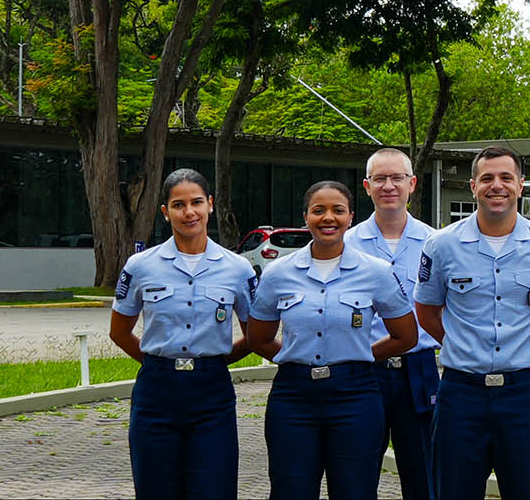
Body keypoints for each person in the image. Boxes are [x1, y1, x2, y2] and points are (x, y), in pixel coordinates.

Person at [414, 146, 530, 500]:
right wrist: (461, 345)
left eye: (506, 177)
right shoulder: (441, 245)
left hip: (526, 396)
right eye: (487, 178)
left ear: (521, 185)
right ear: (472, 185)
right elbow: (426, 310)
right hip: (461, 396)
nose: (497, 186)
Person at [245, 180, 418, 500]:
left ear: (351, 216)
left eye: (338, 210)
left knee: (355, 491)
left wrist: (358, 353)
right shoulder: (278, 273)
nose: (328, 218)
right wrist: (297, 355)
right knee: (290, 489)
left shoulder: (376, 272)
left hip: (356, 397)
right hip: (293, 399)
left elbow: (405, 336)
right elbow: (258, 338)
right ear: (306, 217)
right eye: (318, 210)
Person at [108, 167, 258, 500]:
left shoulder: (237, 268)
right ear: (165, 212)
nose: (188, 212)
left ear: (210, 205)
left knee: (214, 488)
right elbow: (119, 332)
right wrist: (158, 361)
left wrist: (216, 360)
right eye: (178, 205)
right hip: (156, 394)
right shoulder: (141, 266)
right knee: (155, 488)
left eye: (196, 202)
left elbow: (255, 335)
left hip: (212, 394)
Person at [346, 147, 439, 500]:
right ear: (367, 186)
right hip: (363, 368)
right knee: (357, 473)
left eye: (397, 178)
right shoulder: (347, 244)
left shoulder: (436, 242)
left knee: (425, 475)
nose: (389, 186)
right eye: (380, 179)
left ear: (412, 184)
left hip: (418, 370)